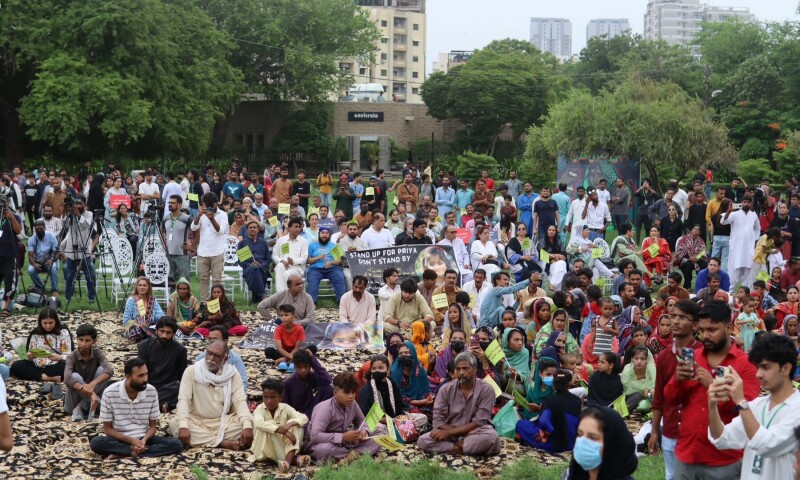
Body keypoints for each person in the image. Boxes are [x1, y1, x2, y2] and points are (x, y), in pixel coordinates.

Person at [666, 300, 760, 479]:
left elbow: (748, 411)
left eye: (712, 330)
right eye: (701, 330)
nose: (705, 336)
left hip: (724, 459)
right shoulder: (692, 358)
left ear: (729, 327)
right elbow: (671, 400)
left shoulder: (745, 365)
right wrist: (677, 380)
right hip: (687, 454)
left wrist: (711, 384)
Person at [708, 334, 800, 480]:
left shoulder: (796, 408)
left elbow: (767, 445)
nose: (758, 374)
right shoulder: (757, 405)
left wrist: (740, 402)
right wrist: (712, 406)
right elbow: (722, 438)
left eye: (765, 368)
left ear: (786, 368)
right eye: (758, 367)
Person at [90, 358, 184, 459]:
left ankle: (125, 453)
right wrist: (131, 441)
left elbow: (153, 427)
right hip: (119, 439)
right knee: (96, 443)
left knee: (177, 444)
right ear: (128, 376)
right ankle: (134, 451)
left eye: (146, 374)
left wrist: (144, 440)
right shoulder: (109, 393)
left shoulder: (151, 391)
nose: (145, 379)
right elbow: (107, 429)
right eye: (140, 376)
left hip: (144, 439)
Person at [170, 340, 253, 450]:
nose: (211, 358)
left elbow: (240, 401)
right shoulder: (191, 371)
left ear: (225, 359)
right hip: (196, 421)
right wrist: (184, 426)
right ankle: (222, 443)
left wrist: (247, 426)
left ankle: (208, 440)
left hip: (223, 422)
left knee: (253, 424)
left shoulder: (232, 374)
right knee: (175, 424)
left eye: (216, 356)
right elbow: (183, 400)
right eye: (209, 353)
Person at [416, 351, 501, 456]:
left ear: (474, 370)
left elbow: (480, 421)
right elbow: (438, 421)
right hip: (453, 432)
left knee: (492, 437)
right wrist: (455, 433)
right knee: (423, 441)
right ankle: (461, 448)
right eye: (458, 369)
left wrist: (448, 433)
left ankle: (452, 448)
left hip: (475, 432)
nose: (461, 372)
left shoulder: (486, 389)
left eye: (465, 368)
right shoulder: (445, 389)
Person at [306, 371, 379, 465]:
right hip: (323, 444)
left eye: (353, 392)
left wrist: (364, 431)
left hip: (346, 442)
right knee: (325, 450)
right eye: (347, 392)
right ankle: (357, 454)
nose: (351, 396)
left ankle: (351, 456)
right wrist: (343, 437)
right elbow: (315, 436)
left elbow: (361, 421)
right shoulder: (325, 408)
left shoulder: (352, 404)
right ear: (335, 393)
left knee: (379, 430)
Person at [10, 307, 73, 399]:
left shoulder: (63, 332)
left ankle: (40, 376)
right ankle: (49, 378)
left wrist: (59, 357)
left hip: (56, 365)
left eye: (51, 323)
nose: (48, 326)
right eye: (45, 323)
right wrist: (30, 356)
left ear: (56, 321)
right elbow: (29, 354)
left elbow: (69, 355)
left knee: (68, 367)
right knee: (16, 365)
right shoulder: (36, 333)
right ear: (40, 322)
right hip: (37, 365)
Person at [249, 378, 310, 472]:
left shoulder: (285, 408)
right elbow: (258, 423)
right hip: (263, 450)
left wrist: (290, 424)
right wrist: (285, 432)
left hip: (280, 449)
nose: (269, 401)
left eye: (273, 397)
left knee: (297, 423)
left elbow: (304, 418)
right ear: (262, 396)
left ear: (281, 397)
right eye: (266, 397)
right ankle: (292, 460)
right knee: (267, 426)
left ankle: (286, 463)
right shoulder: (259, 410)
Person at [517, 368, 581, 453]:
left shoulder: (550, 400)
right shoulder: (577, 400)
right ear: (569, 384)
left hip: (554, 444)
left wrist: (546, 433)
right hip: (571, 443)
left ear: (554, 384)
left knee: (521, 424)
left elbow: (543, 421)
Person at [566, 407, 638, 480]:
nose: (583, 442)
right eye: (580, 434)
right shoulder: (571, 475)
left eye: (593, 437)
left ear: (613, 444)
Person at [64, 324, 113, 421]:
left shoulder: (97, 353)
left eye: (87, 340)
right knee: (75, 376)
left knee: (102, 370)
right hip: (74, 402)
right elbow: (67, 378)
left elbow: (109, 370)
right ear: (77, 339)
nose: (83, 344)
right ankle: (84, 404)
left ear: (94, 341)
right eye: (81, 340)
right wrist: (91, 394)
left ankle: (80, 407)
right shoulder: (71, 357)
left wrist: (92, 384)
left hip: (94, 398)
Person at [137, 316, 187, 411]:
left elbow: (183, 376)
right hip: (148, 385)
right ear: (156, 331)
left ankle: (149, 403)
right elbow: (141, 372)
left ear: (174, 334)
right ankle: (162, 404)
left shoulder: (180, 350)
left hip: (169, 387)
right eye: (162, 331)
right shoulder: (144, 346)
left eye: (168, 333)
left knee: (180, 387)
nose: (164, 336)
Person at [59, 194, 97, 305]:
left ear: (84, 204)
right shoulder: (70, 213)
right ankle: (68, 298)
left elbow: (85, 225)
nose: (77, 205)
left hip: (85, 251)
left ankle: (91, 298)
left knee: (90, 276)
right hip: (71, 250)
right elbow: (63, 223)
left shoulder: (89, 214)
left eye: (80, 203)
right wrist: (67, 210)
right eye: (76, 203)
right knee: (70, 276)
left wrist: (78, 213)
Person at [191, 192, 230, 301]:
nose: (208, 208)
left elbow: (221, 231)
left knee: (217, 280)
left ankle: (217, 303)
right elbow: (193, 228)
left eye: (210, 205)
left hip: (217, 252)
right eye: (206, 205)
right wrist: (199, 215)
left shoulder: (223, 214)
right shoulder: (201, 215)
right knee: (203, 279)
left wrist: (212, 219)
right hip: (203, 251)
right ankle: (204, 303)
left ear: (216, 204)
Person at [722, 196, 761, 291]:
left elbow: (757, 228)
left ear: (751, 204)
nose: (746, 204)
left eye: (748, 202)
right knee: (733, 274)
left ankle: (746, 294)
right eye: (744, 202)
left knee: (748, 272)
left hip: (749, 248)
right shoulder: (734, 214)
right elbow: (723, 221)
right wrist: (728, 211)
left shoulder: (753, 215)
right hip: (736, 248)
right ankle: (729, 294)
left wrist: (756, 240)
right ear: (741, 202)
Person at [282, 348, 333, 419]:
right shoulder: (288, 383)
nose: (303, 370)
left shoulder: (312, 376)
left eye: (306, 367)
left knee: (329, 389)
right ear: (294, 367)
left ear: (310, 366)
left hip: (312, 409)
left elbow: (327, 380)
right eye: (299, 367)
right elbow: (285, 405)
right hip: (298, 414)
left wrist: (313, 359)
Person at [195, 326, 248, 391]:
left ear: (225, 341)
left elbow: (243, 383)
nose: (211, 342)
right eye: (209, 339)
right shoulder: (201, 358)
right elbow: (196, 382)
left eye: (215, 339)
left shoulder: (235, 358)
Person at [305, 226, 346, 303]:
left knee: (340, 277)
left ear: (329, 235)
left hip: (332, 269)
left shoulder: (334, 245)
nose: (324, 235)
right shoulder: (312, 245)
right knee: (313, 280)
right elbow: (308, 261)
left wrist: (331, 262)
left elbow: (339, 260)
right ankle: (312, 302)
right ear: (319, 234)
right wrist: (318, 257)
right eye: (322, 233)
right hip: (316, 269)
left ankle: (342, 301)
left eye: (327, 233)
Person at [357, 354, 405, 419]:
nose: (377, 371)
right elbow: (364, 415)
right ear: (371, 370)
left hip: (394, 418)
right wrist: (384, 420)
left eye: (381, 368)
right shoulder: (367, 388)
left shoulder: (391, 383)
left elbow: (399, 404)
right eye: (374, 368)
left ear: (387, 369)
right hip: (376, 423)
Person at [272, 217, 309, 293]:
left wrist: (293, 261)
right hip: (284, 266)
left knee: (287, 274)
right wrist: (281, 261)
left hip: (297, 268)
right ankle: (281, 295)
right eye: (296, 227)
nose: (298, 229)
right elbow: (274, 254)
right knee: (279, 266)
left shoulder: (303, 241)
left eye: (299, 227)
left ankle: (284, 296)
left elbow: (304, 258)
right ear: (289, 229)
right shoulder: (281, 240)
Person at [237, 221, 270, 303]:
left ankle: (255, 299)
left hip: (262, 268)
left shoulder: (264, 243)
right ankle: (262, 295)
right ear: (247, 230)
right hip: (248, 268)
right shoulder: (242, 243)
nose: (252, 229)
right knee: (254, 268)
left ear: (258, 230)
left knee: (256, 269)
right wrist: (249, 264)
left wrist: (261, 264)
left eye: (254, 227)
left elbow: (268, 259)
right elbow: (240, 261)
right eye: (250, 227)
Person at [27, 219, 60, 297]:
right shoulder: (31, 240)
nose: (39, 230)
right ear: (34, 229)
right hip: (37, 262)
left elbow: (57, 253)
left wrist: (52, 260)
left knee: (53, 267)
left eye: (41, 228)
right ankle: (40, 288)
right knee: (30, 270)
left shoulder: (51, 237)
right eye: (37, 229)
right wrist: (34, 264)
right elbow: (30, 256)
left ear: (44, 228)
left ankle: (54, 290)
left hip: (49, 261)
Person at [164, 194, 191, 282]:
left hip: (182, 254)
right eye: (169, 203)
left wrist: (192, 244)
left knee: (183, 281)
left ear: (179, 205)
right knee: (170, 281)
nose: (170, 205)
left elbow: (196, 230)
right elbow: (162, 230)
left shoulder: (187, 218)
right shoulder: (166, 218)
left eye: (172, 203)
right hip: (169, 254)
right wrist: (165, 241)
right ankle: (172, 296)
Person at [620, 346, 655, 412]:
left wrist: (649, 392)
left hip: (647, 397)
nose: (639, 361)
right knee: (637, 395)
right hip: (630, 397)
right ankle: (624, 411)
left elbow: (654, 387)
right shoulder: (627, 370)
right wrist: (642, 393)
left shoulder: (652, 371)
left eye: (642, 359)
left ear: (647, 360)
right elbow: (627, 390)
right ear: (632, 359)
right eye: (636, 358)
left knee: (653, 392)